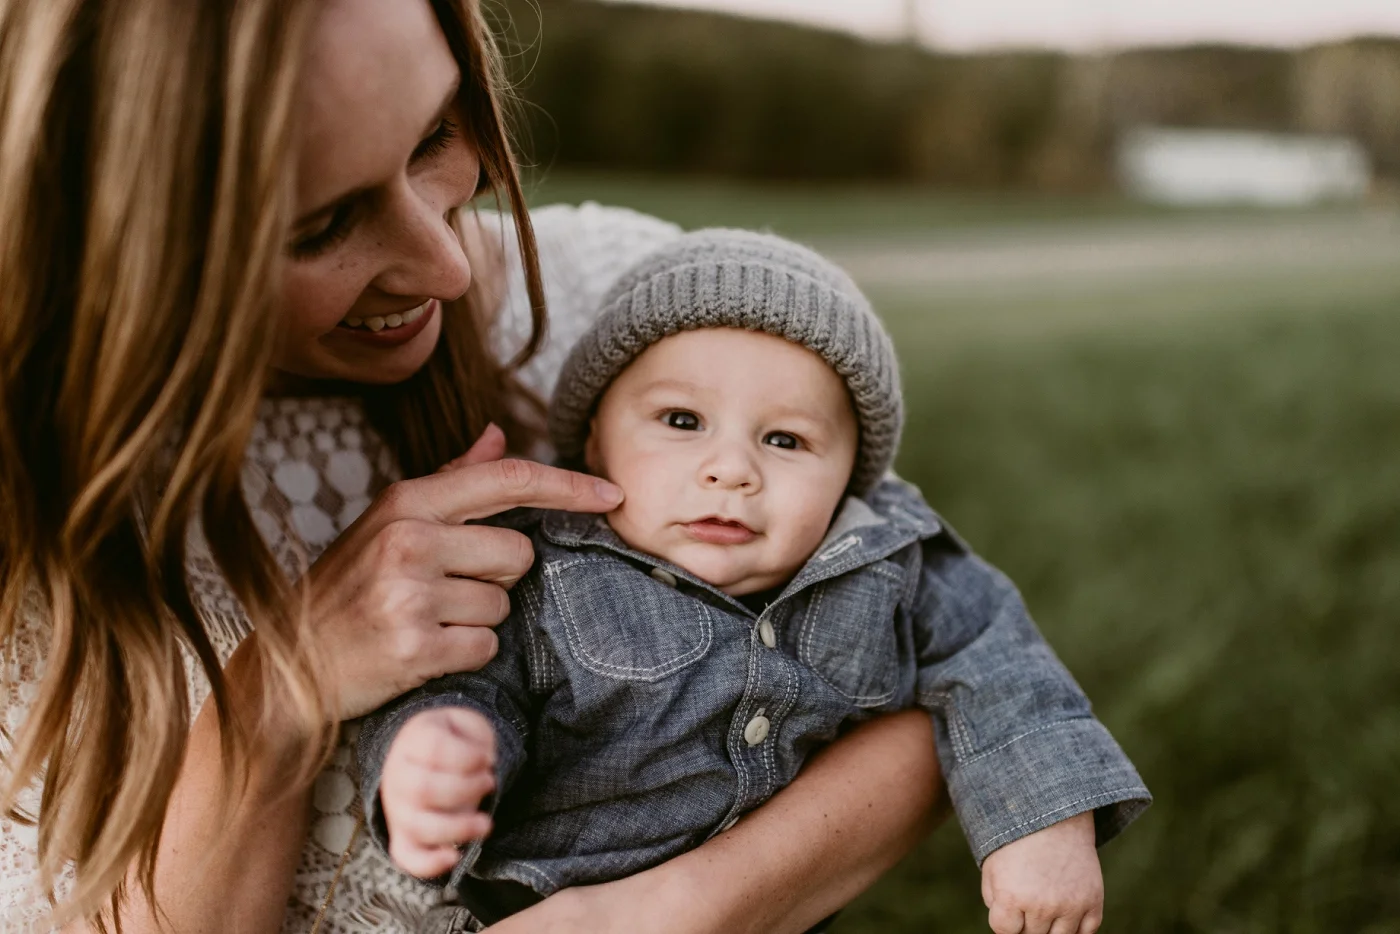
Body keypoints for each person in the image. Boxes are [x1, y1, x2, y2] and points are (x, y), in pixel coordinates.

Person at [0, 1, 942, 932]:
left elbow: (939, 664)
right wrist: (284, 687)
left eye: (435, 135)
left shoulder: (631, 303)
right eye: (320, 226)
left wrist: (668, 908)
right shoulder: (34, 523)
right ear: (115, 247)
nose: (449, 264)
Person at [361, 230, 1152, 934]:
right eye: (681, 422)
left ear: (852, 475)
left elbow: (999, 660)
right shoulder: (545, 560)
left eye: (785, 439)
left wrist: (1043, 824)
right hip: (538, 906)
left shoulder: (886, 556)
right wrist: (434, 751)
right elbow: (468, 678)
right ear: (595, 439)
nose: (731, 470)